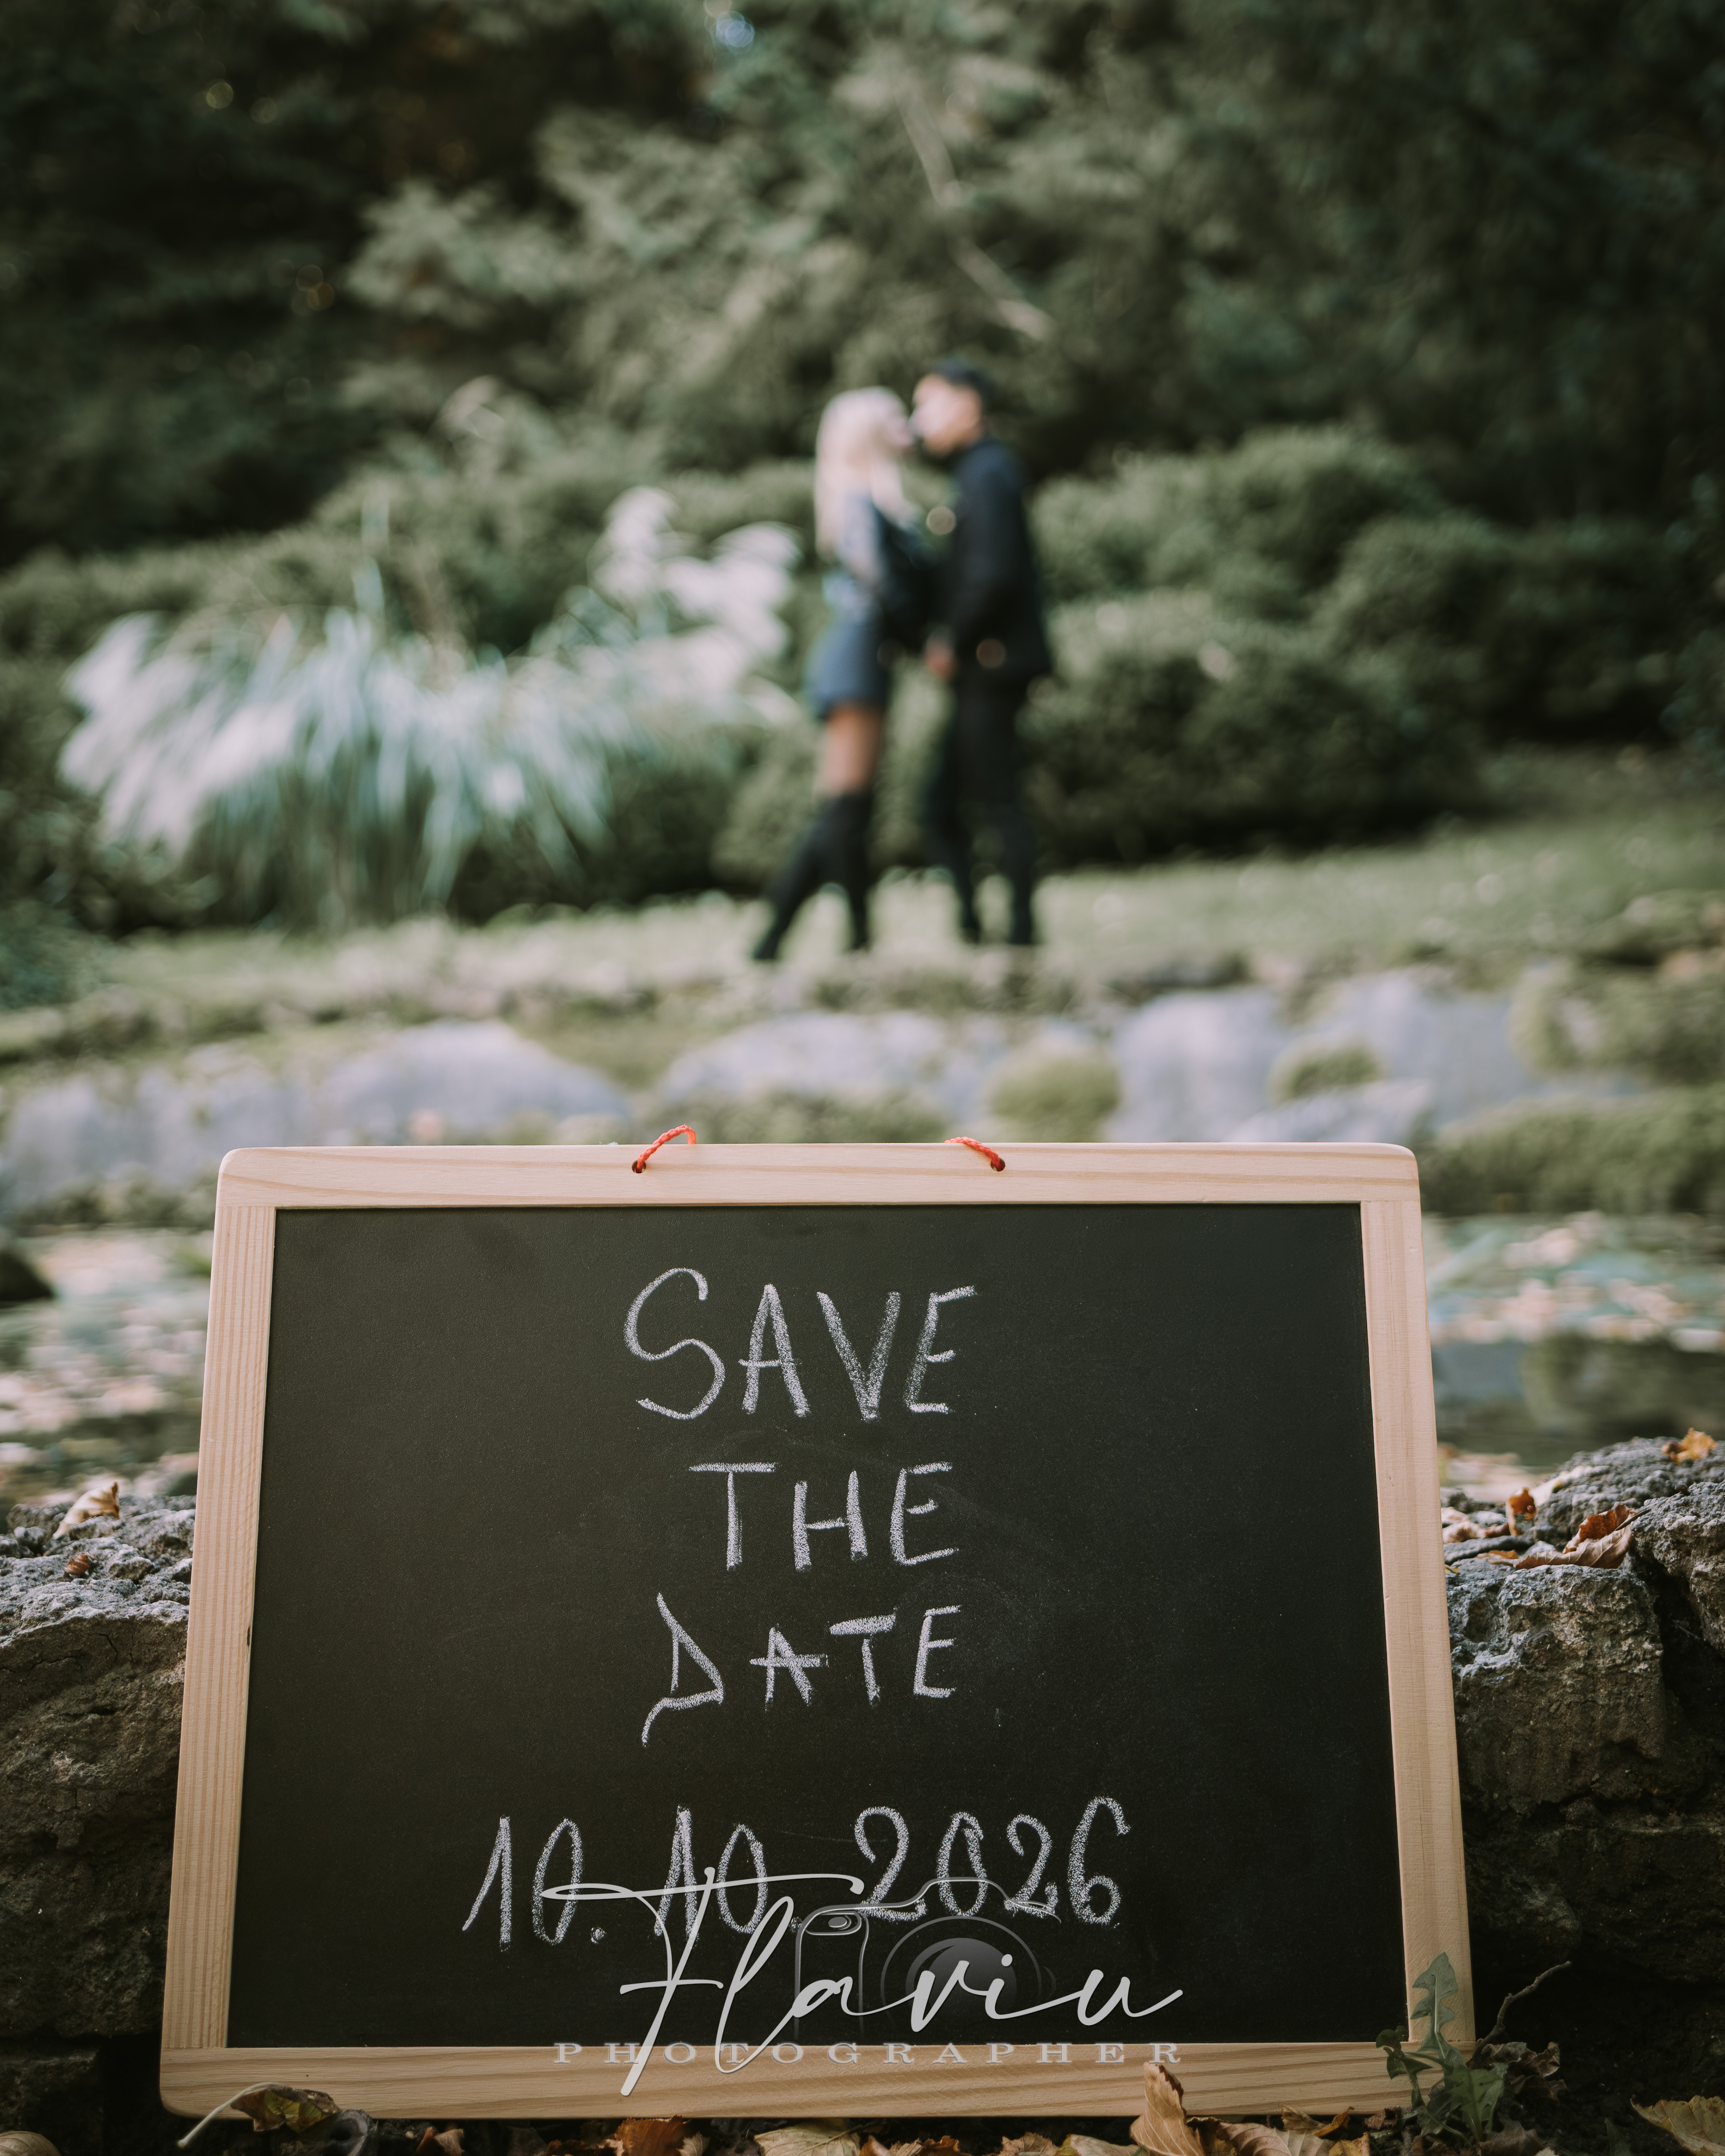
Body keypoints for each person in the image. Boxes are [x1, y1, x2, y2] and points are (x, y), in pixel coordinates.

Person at [752, 388, 929, 963]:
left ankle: (843, 938)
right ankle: (788, 936)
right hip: (858, 659)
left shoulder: (864, 500)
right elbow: (878, 582)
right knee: (844, 808)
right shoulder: (859, 500)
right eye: (895, 421)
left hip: (862, 657)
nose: (909, 428)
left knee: (850, 808)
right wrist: (923, 638)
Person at [912, 358, 1052, 948]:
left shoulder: (989, 473)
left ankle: (1019, 933)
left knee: (994, 799)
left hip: (993, 662)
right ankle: (979, 925)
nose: (920, 420)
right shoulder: (978, 472)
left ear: (967, 405)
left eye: (928, 405)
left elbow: (993, 575)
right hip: (986, 663)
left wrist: (954, 639)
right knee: (946, 800)